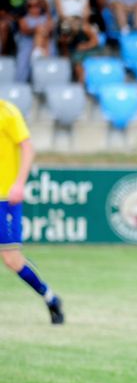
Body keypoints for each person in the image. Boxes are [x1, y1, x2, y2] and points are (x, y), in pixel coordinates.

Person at [1, 100, 64, 325]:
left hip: (5, 198)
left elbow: (28, 148)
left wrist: (19, 183)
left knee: (11, 259)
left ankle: (50, 298)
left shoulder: (7, 112)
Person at [15, 0, 53, 83]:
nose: (34, 8)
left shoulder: (46, 18)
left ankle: (44, 86)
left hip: (45, 45)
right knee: (23, 61)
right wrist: (37, 30)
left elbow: (50, 31)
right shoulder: (23, 19)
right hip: (27, 44)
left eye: (37, 6)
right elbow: (25, 30)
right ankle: (20, 86)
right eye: (30, 6)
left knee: (49, 52)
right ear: (27, 8)